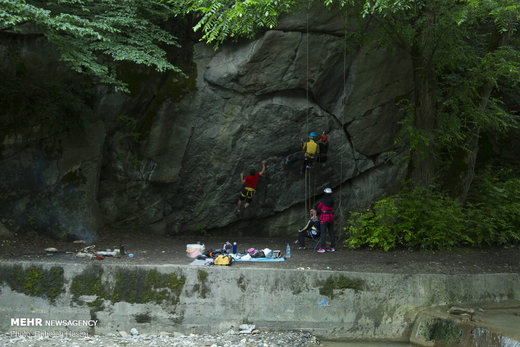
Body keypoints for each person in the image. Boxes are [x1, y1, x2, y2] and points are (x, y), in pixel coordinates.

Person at [315, 187, 335, 253]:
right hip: (331, 217)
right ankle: (332, 247)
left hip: (324, 217)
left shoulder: (322, 201)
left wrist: (317, 213)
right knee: (331, 232)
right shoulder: (332, 200)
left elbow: (318, 208)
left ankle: (323, 248)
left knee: (323, 233)